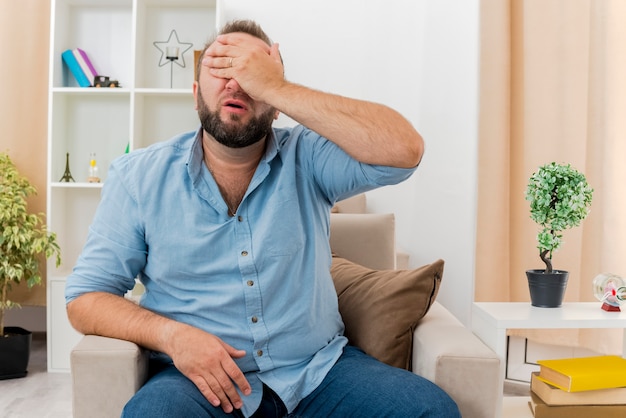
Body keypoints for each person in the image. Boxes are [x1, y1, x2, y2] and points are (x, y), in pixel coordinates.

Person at [65, 20, 460, 418]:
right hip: (197, 384)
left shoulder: (308, 157)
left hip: (318, 374)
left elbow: (406, 150)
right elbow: (85, 298)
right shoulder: (138, 177)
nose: (236, 84)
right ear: (196, 94)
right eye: (221, 70)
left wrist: (278, 87)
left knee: (431, 410)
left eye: (251, 73)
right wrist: (172, 336)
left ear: (275, 106)